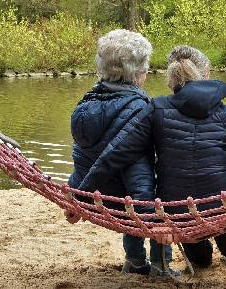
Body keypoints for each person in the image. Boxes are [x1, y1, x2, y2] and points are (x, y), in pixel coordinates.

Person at [78, 45, 226, 267]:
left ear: (170, 82)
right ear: (206, 76)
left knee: (200, 258)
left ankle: (201, 249)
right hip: (221, 208)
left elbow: (117, 154)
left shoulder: (156, 109)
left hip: (178, 215)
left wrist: (81, 196)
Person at [64, 29, 179, 278]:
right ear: (138, 74)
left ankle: (135, 260)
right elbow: (139, 175)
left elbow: (83, 157)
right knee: (164, 188)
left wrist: (76, 196)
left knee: (130, 191)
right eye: (145, 68)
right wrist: (153, 221)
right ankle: (161, 265)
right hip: (125, 200)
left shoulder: (84, 104)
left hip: (94, 195)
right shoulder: (140, 110)